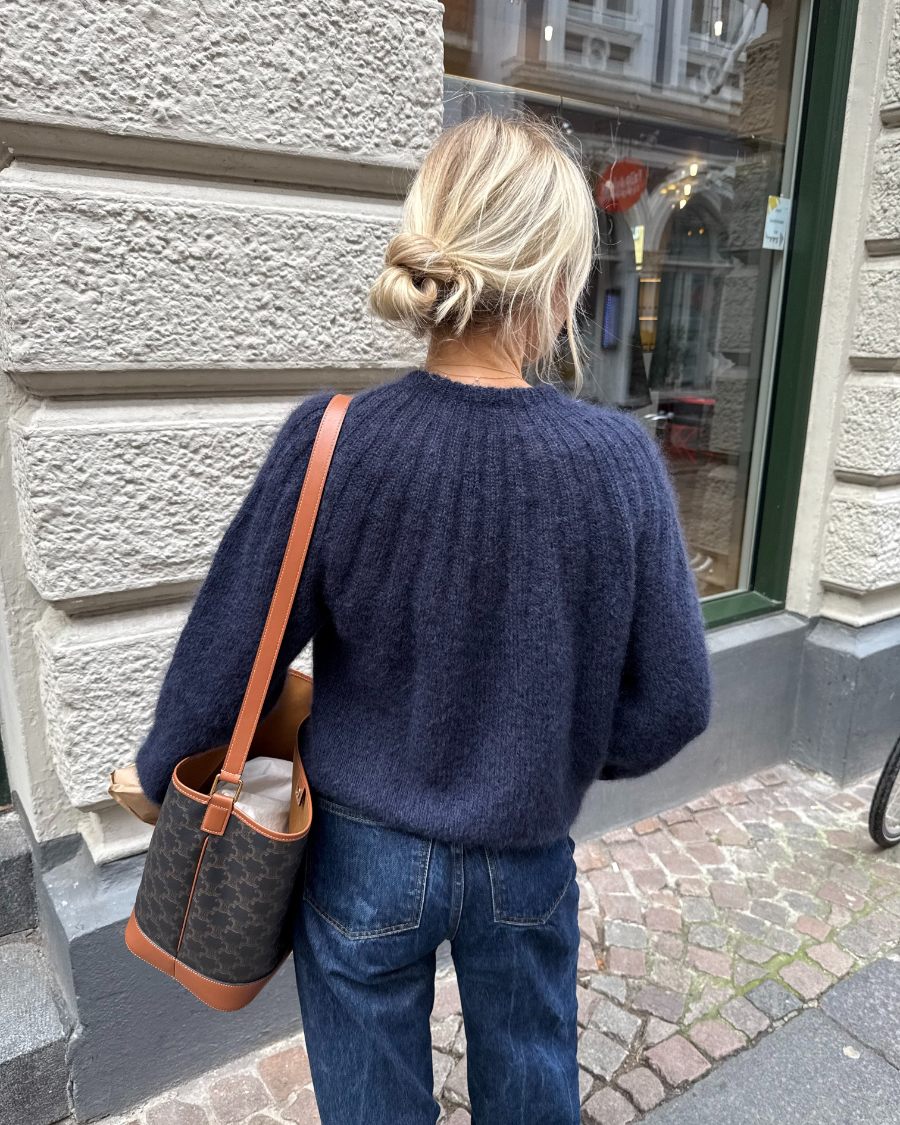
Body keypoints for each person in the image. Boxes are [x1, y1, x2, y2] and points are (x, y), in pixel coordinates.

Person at [135, 111, 711, 1125]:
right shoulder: (618, 463)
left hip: (362, 853)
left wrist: (160, 775)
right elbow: (673, 701)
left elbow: (229, 655)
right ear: (560, 284)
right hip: (525, 849)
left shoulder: (334, 441)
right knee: (531, 1086)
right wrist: (550, 753)